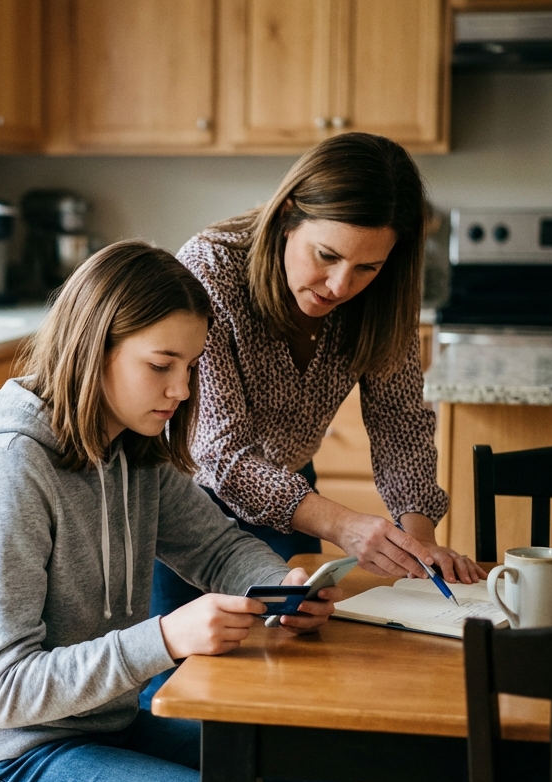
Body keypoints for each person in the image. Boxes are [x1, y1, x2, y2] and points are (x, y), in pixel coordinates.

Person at [0, 240, 377, 782]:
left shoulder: (128, 448)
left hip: (101, 723)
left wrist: (281, 587)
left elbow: (217, 548)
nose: (181, 389)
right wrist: (165, 639)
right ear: (95, 346)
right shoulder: (10, 470)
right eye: (162, 365)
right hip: (7, 766)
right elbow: (9, 690)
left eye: (190, 366)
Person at [146, 134, 485, 705]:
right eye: (327, 256)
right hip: (186, 505)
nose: (341, 286)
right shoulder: (211, 268)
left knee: (288, 675)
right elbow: (219, 456)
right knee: (187, 695)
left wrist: (416, 544)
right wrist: (347, 526)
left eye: (366, 267)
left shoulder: (385, 293)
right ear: (286, 218)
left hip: (292, 499)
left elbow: (400, 421)